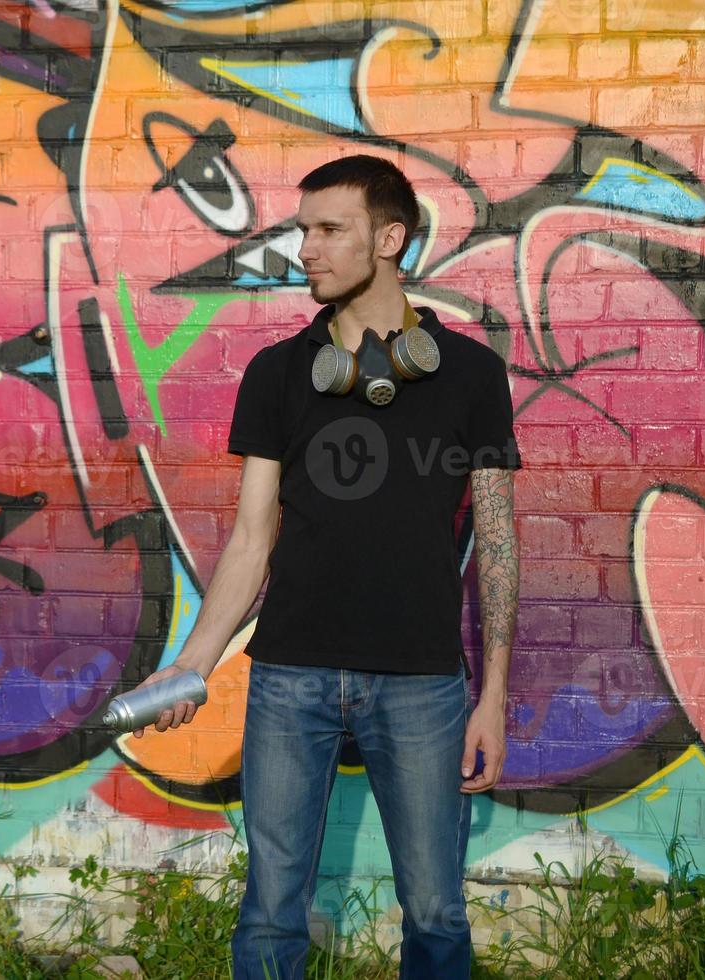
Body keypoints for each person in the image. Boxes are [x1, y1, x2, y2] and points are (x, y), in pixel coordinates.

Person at [129, 154, 520, 979]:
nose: (304, 247)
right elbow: (249, 540)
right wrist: (192, 669)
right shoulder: (277, 375)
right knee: (271, 909)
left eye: (328, 229)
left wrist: (491, 695)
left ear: (389, 237)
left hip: (422, 683)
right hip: (288, 678)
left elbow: (498, 539)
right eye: (303, 228)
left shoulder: (473, 376)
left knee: (436, 912)